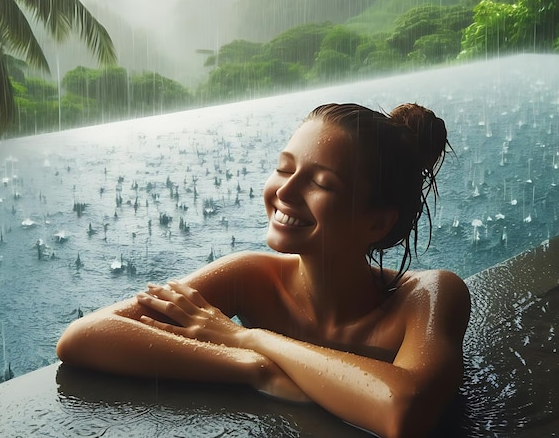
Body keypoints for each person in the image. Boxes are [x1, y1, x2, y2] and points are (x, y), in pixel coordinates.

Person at [57, 102, 470, 438]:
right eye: (285, 168)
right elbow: (84, 337)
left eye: (321, 183)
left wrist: (246, 337)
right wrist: (253, 369)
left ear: (376, 223)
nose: (285, 192)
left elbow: (404, 410)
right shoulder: (252, 276)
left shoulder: (430, 295)